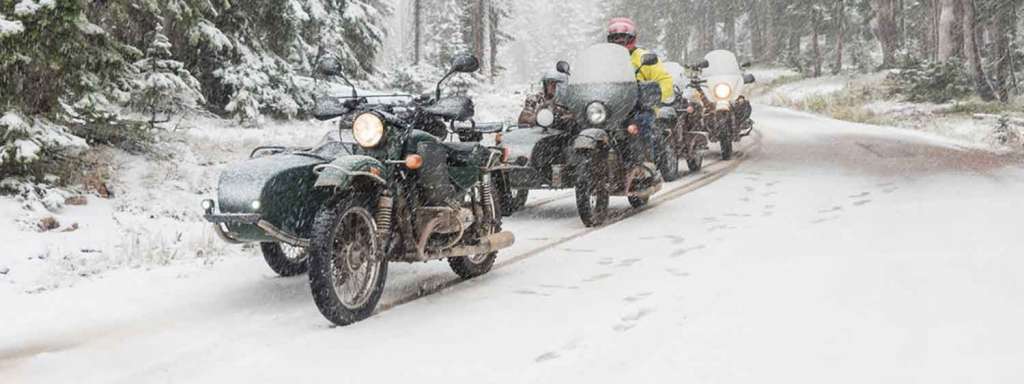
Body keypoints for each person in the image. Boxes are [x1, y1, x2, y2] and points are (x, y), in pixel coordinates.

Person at [606, 17, 675, 165]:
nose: (619, 41)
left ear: (631, 38)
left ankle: (645, 164)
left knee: (641, 123)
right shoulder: (606, 60)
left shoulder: (643, 57)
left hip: (640, 107)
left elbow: (664, 80)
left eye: (622, 38)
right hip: (612, 108)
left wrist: (654, 97)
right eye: (615, 38)